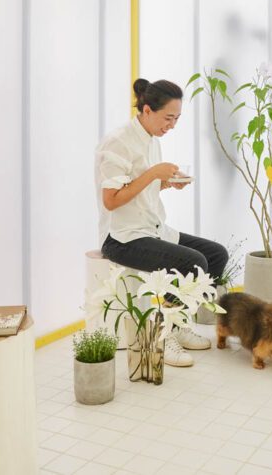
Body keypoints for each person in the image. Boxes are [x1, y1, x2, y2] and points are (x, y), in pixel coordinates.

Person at [95, 78, 229, 367]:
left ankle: (178, 324)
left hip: (152, 229)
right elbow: (112, 200)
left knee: (217, 255)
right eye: (168, 118)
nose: (172, 125)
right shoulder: (118, 141)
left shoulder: (151, 140)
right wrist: (155, 173)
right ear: (146, 110)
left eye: (177, 119)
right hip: (122, 237)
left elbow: (140, 190)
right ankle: (161, 334)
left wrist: (167, 183)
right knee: (193, 263)